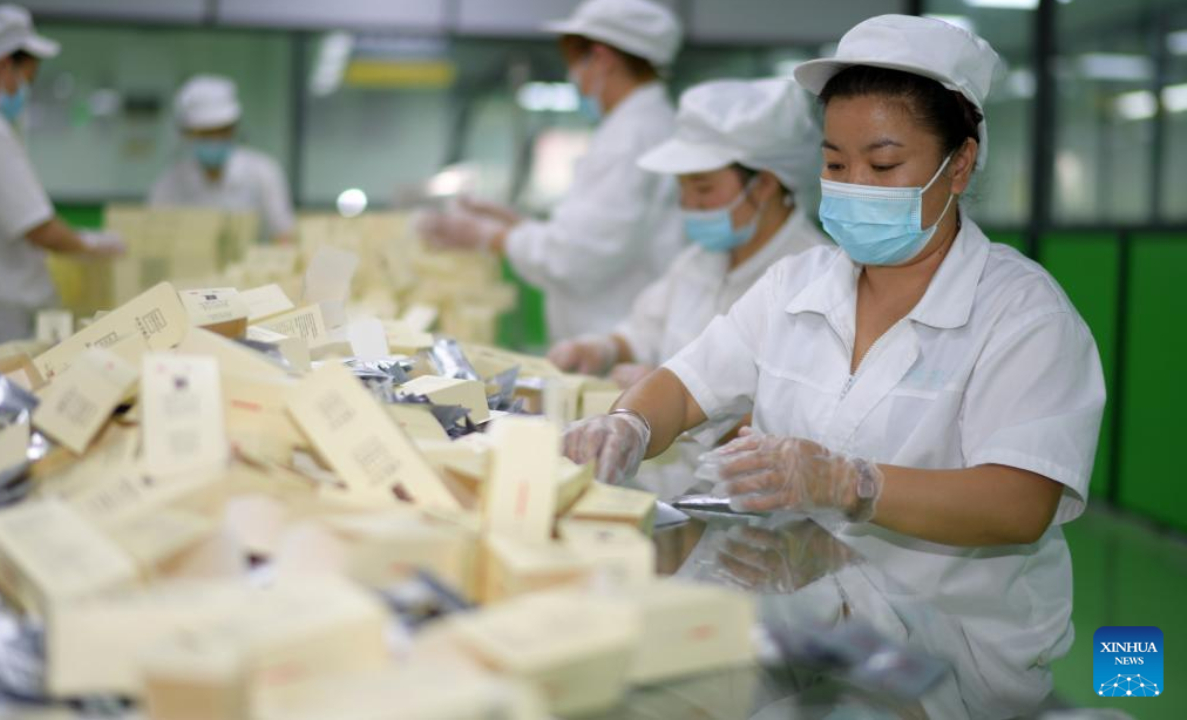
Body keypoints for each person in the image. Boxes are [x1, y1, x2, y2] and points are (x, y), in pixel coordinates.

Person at [563, 15, 1105, 716]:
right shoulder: (800, 285)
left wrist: (852, 483)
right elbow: (687, 382)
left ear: (961, 163)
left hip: (945, 645)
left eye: (883, 166)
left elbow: (1020, 503)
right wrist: (630, 423)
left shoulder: (1020, 313)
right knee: (634, 684)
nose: (854, 185)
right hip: (806, 592)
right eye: (835, 163)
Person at [416, 0, 683, 342]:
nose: (575, 77)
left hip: (612, 337)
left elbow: (576, 256)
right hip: (608, 329)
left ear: (601, 59)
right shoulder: (638, 127)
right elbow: (591, 234)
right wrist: (513, 223)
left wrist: (488, 236)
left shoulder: (633, 136)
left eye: (575, 62)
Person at [547, 77, 828, 392]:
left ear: (763, 185)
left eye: (703, 187)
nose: (688, 203)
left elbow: (795, 414)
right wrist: (602, 349)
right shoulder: (698, 261)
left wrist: (674, 399)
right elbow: (645, 331)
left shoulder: (814, 281)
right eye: (682, 187)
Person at [0, 9, 123, 345]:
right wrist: (89, 245)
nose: (24, 90)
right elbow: (37, 226)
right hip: (3, 313)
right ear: (5, 66)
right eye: (27, 79)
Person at [150, 75, 295, 245]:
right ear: (188, 134)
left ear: (234, 129)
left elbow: (284, 233)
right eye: (205, 133)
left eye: (222, 131)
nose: (215, 139)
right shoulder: (170, 184)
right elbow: (154, 238)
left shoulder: (263, 172)